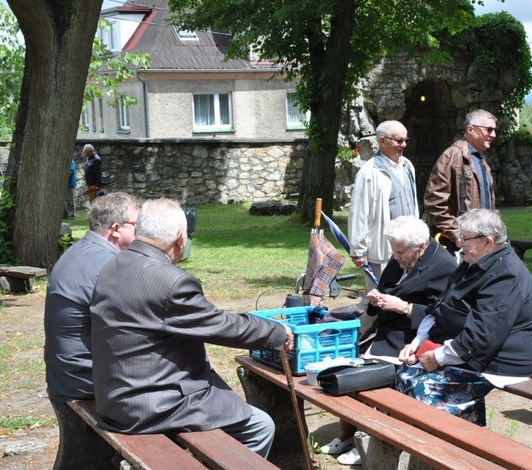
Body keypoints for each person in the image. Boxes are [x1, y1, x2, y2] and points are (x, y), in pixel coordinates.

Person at [90, 198, 293, 458]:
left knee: (223, 395)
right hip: (151, 405)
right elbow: (219, 325)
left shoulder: (115, 264)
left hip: (116, 397)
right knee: (259, 425)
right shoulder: (170, 282)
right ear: (180, 239)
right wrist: (276, 332)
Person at [320, 216, 456, 465]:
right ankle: (348, 436)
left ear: (421, 247)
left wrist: (405, 307)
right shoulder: (401, 255)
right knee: (348, 371)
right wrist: (376, 299)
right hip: (383, 331)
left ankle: (370, 438)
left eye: (401, 252)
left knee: (368, 377)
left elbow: (445, 316)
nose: (396, 256)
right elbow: (387, 289)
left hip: (411, 339)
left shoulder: (444, 266)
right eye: (394, 250)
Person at [396, 209, 532, 425]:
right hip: (470, 355)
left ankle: (452, 449)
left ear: (488, 242)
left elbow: (482, 336)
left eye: (465, 238)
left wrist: (438, 357)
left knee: (420, 391)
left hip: (500, 363)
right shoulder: (474, 260)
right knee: (403, 375)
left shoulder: (506, 274)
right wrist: (418, 343)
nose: (460, 243)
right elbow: (442, 306)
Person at [44, 192, 141, 467]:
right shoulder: (107, 264)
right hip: (82, 383)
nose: (143, 231)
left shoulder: (81, 250)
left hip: (66, 374)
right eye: (137, 224)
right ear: (116, 229)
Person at [348, 120, 419, 296]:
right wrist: (358, 250)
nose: (403, 145)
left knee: (406, 296)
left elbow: (413, 202)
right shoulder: (369, 172)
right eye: (398, 140)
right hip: (383, 252)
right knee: (378, 300)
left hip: (409, 248)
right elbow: (358, 213)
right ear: (382, 141)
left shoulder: (407, 166)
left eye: (405, 140)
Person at [423, 109, 499, 254]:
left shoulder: (480, 158)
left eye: (494, 130)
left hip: (481, 240)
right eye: (489, 130)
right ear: (470, 129)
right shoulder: (452, 156)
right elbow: (434, 202)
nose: (493, 135)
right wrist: (456, 233)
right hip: (459, 244)